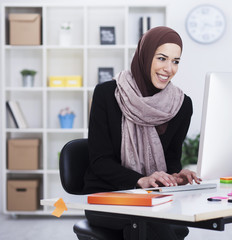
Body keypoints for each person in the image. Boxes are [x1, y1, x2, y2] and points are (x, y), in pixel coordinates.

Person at [83, 26, 201, 240]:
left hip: (154, 198)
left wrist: (176, 176)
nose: (169, 68)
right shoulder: (107, 94)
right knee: (150, 224)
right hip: (108, 196)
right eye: (162, 58)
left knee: (155, 224)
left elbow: (171, 159)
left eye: (176, 61)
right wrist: (140, 180)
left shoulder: (181, 105)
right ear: (145, 55)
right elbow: (99, 161)